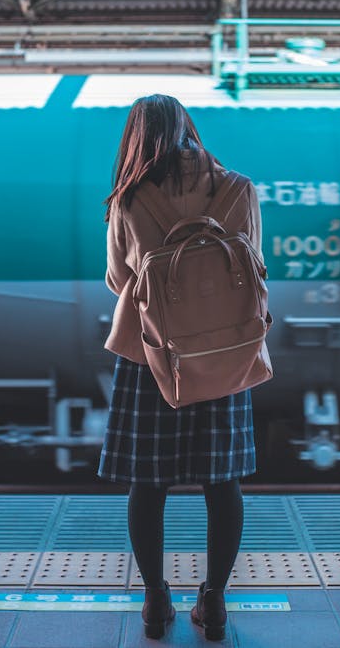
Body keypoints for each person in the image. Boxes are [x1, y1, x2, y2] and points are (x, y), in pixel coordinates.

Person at [97, 94, 264, 641]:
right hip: (223, 353)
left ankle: (154, 601)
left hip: (151, 356)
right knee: (223, 481)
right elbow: (256, 265)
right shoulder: (240, 188)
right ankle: (213, 602)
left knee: (148, 483)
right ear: (189, 129)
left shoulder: (128, 199)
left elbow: (120, 281)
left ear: (136, 138)